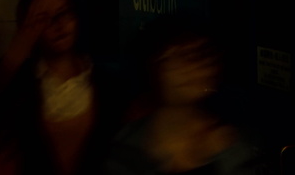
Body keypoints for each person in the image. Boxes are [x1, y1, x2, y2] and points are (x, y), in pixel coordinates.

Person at [0, 0, 119, 175]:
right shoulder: (22, 86)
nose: (58, 24)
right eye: (43, 19)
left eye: (64, 13)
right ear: (27, 28)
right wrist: (16, 52)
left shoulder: (106, 84)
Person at [105, 21, 263, 175]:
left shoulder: (235, 145)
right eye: (177, 56)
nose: (194, 65)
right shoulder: (125, 146)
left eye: (202, 54)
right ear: (152, 69)